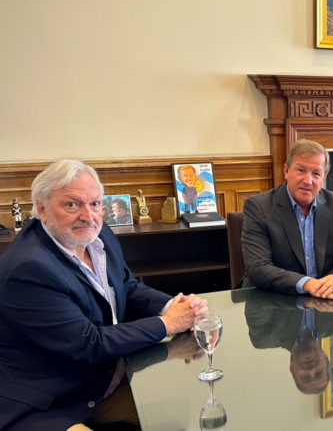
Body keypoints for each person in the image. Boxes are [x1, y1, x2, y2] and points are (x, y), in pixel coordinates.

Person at [0, 160, 209, 431]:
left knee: (185, 406)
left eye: (95, 203)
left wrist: (172, 305)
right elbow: (88, 344)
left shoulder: (98, 234)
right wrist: (167, 323)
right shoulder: (29, 268)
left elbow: (126, 287)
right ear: (42, 209)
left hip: (101, 382)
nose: (88, 216)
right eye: (72, 205)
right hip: (48, 402)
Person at [242, 139, 333, 300]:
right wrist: (309, 284)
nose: (308, 181)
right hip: (273, 301)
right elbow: (258, 268)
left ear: (323, 178)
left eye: (316, 174)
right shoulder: (258, 207)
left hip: (325, 300)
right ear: (286, 171)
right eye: (301, 170)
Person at [243, 289, 333, 394]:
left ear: (292, 368)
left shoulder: (265, 337)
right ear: (325, 358)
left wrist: (304, 298)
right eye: (319, 372)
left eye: (305, 377)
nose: (311, 370)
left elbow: (255, 301)